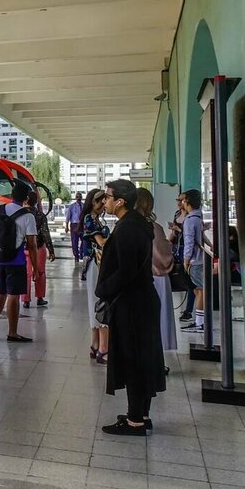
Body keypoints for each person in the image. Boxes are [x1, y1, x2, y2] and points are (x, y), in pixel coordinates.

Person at [96, 179, 166, 436]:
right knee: (142, 356)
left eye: (108, 196)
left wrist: (103, 288)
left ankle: (135, 420)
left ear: (120, 201)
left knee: (133, 358)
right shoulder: (139, 224)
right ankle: (141, 413)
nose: (105, 201)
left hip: (132, 302)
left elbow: (126, 271)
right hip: (142, 300)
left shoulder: (126, 229)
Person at [0, 180, 40, 343]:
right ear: (26, 198)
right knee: (13, 296)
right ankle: (13, 332)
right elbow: (31, 244)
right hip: (16, 261)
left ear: (12, 195)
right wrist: (36, 268)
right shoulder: (27, 216)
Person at [135, 189, 178, 352]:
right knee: (159, 319)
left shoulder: (127, 227)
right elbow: (163, 254)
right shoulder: (154, 228)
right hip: (157, 278)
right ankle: (157, 356)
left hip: (137, 281)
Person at [81, 189, 110, 364]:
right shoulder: (90, 219)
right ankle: (102, 348)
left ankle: (95, 345)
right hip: (96, 264)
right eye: (100, 201)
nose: (103, 204)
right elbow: (100, 242)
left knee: (95, 301)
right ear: (93, 202)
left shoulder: (94, 219)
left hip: (95, 264)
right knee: (99, 301)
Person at [23, 189, 55, 309]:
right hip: (39, 247)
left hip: (25, 249)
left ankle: (26, 300)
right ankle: (40, 297)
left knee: (26, 274)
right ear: (36, 202)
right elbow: (45, 233)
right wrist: (51, 250)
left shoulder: (22, 214)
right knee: (40, 272)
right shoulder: (40, 215)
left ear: (26, 200)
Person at [180, 189, 206, 333]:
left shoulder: (190, 220)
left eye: (183, 200)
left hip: (195, 261)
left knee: (200, 290)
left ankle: (200, 323)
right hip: (200, 258)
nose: (182, 202)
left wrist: (186, 259)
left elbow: (189, 242)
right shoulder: (199, 217)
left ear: (187, 202)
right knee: (197, 290)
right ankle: (199, 320)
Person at [64, 192, 85, 261]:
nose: (79, 198)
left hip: (82, 225)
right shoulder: (72, 206)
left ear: (81, 198)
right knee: (74, 242)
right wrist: (66, 226)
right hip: (74, 225)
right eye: (77, 197)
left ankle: (81, 252)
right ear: (75, 198)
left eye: (80, 196)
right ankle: (76, 256)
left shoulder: (84, 206)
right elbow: (68, 217)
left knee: (84, 240)